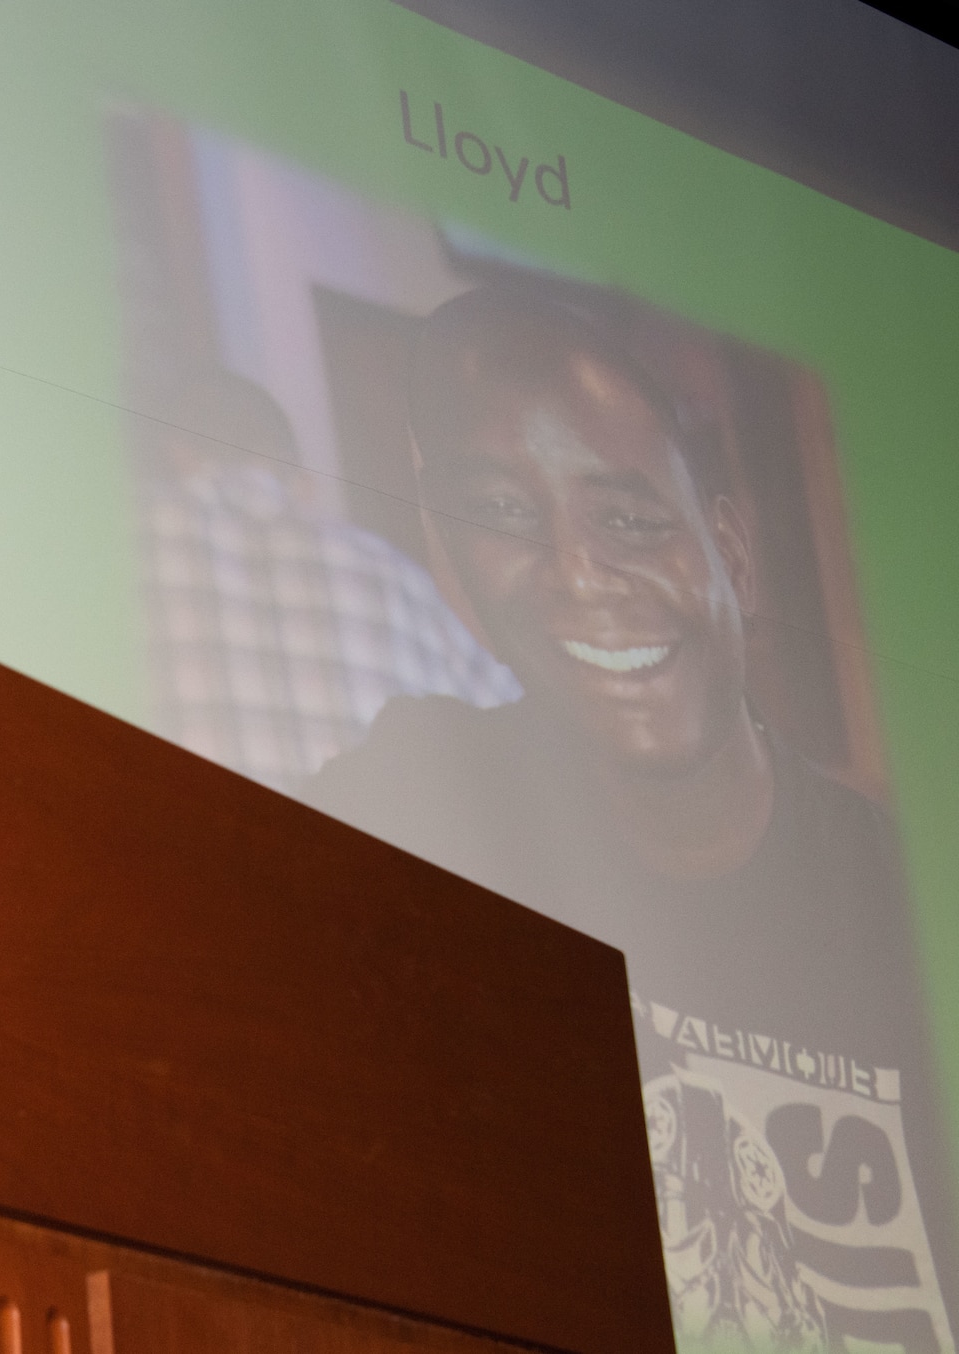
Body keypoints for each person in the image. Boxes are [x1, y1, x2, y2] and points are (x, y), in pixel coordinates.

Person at [304, 286, 954, 1350]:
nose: (575, 573)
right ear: (450, 556)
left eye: (629, 520)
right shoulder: (409, 800)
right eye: (505, 515)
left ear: (730, 555)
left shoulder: (910, 901)